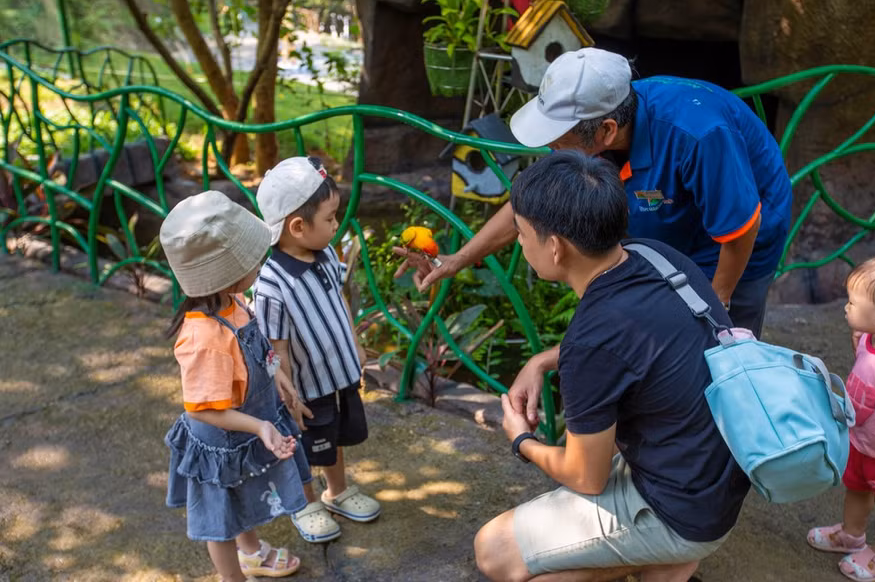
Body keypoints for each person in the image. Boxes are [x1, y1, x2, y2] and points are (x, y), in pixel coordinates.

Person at [473, 151, 750, 582]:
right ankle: (666, 562)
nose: (520, 243)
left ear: (555, 247)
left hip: (679, 505)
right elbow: (639, 346)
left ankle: (668, 553)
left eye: (522, 233)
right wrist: (544, 359)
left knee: (494, 550)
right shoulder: (657, 256)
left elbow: (586, 477)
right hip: (720, 476)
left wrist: (521, 439)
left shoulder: (592, 340)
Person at [395, 47, 792, 340]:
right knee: (659, 338)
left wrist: (718, 299)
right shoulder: (598, 132)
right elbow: (529, 203)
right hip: (667, 224)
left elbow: (740, 227)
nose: (549, 150)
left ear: (605, 131)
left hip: (736, 241)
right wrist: (457, 260)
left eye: (557, 139)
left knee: (721, 346)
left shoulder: (698, 135)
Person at [161, 190, 310, 582]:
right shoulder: (204, 338)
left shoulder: (234, 301)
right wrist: (260, 427)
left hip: (248, 423)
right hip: (221, 442)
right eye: (251, 259)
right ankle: (233, 576)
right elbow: (204, 408)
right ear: (224, 273)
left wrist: (279, 375)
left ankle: (252, 551)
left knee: (240, 493)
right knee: (220, 519)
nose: (258, 263)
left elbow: (258, 354)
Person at [254, 156, 381, 545]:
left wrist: (355, 345)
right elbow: (278, 347)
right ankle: (306, 502)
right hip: (306, 389)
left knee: (337, 435)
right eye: (329, 219)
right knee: (309, 445)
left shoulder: (325, 254)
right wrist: (288, 395)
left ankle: (337, 491)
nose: (336, 225)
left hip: (337, 375)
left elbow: (340, 301)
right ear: (297, 226)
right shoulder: (272, 285)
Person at [807, 256, 875, 582]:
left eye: (852, 302)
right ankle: (852, 534)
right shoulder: (868, 339)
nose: (846, 308)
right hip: (860, 441)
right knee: (856, 489)